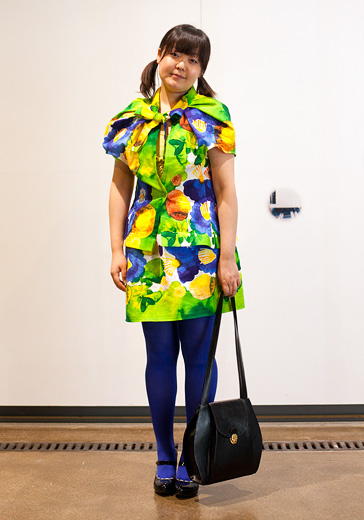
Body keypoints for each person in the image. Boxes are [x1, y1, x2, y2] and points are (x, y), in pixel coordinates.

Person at [103, 24, 245, 499]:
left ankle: (193, 452)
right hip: (147, 253)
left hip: (201, 254)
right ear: (160, 56)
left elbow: (226, 192)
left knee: (200, 358)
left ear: (202, 70)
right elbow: (120, 187)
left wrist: (227, 257)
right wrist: (115, 247)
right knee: (159, 357)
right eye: (174, 54)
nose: (181, 64)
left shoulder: (211, 116)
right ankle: (164, 454)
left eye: (193, 59)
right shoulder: (131, 118)